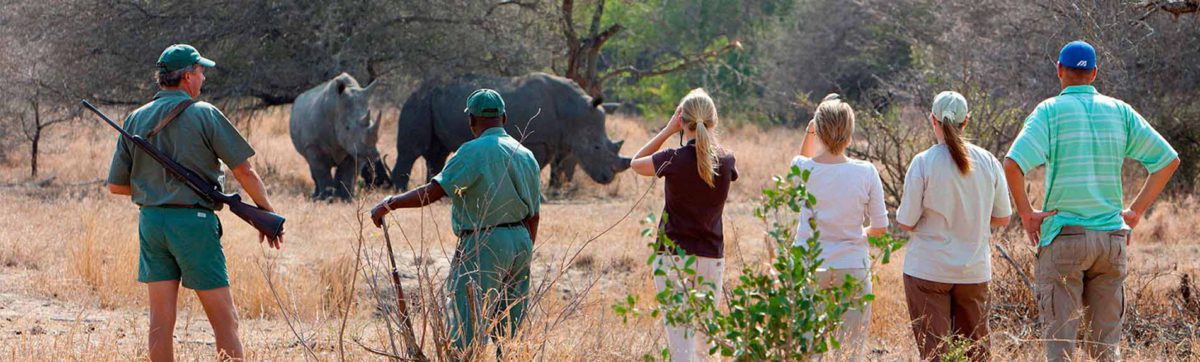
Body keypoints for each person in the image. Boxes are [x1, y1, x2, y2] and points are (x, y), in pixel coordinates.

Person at [1004, 40, 1180, 361]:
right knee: (1105, 350)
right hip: (1111, 241)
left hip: (1065, 238)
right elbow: (1168, 160)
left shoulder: (1049, 111)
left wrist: (1027, 214)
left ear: (1059, 71)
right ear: (1094, 73)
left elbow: (1013, 163)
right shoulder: (1120, 111)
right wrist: (1136, 211)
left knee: (1061, 349)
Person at [106, 44, 282, 361]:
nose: (203, 77)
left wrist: (156, 191)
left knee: (160, 322)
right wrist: (265, 213)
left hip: (152, 224)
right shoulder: (205, 113)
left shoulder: (134, 118)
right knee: (225, 321)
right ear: (188, 76)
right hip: (194, 225)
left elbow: (116, 186)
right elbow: (244, 170)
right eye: (200, 71)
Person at [369, 89, 541, 358]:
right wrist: (523, 251)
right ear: (504, 117)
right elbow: (535, 214)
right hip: (521, 242)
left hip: (484, 243)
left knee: (467, 326)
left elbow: (433, 192)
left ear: (471, 120)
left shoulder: (471, 151)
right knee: (510, 331)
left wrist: (390, 203)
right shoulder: (526, 154)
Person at [895, 91, 1011, 360]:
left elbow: (905, 222)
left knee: (935, 353)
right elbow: (1003, 218)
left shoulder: (923, 162)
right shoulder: (989, 162)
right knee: (976, 354)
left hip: (927, 271)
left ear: (932, 119)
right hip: (973, 272)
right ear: (966, 121)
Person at [629, 88, 738, 362]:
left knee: (680, 346)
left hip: (673, 259)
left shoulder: (673, 158)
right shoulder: (726, 160)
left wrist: (667, 130)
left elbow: (634, 163)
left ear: (682, 120)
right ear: (713, 120)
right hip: (711, 259)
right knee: (702, 344)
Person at [791, 93, 887, 361]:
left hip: (809, 267)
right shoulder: (866, 171)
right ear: (849, 133)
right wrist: (858, 236)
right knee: (850, 352)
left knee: (809, 353)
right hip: (852, 266)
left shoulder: (801, 167)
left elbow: (803, 160)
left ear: (817, 130)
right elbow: (880, 227)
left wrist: (810, 130)